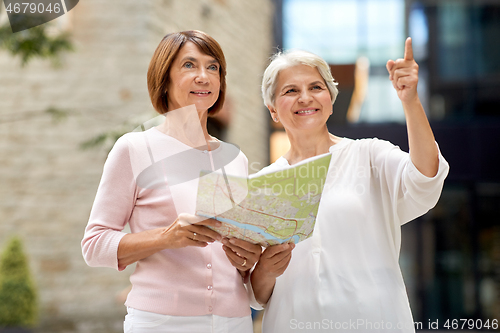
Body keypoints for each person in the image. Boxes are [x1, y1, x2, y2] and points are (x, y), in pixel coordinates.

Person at [250, 38, 449, 332]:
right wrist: (265, 269)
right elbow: (256, 296)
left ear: (330, 101)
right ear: (273, 111)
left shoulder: (369, 155)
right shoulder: (260, 185)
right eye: (291, 91)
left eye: (315, 88)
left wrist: (411, 101)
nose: (305, 97)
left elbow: (425, 178)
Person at [81, 30, 262, 333]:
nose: (204, 76)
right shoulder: (135, 148)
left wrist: (248, 257)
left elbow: (239, 263)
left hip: (235, 321)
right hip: (161, 323)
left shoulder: (236, 159)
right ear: (164, 79)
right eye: (189, 65)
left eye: (213, 67)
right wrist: (167, 237)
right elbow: (94, 245)